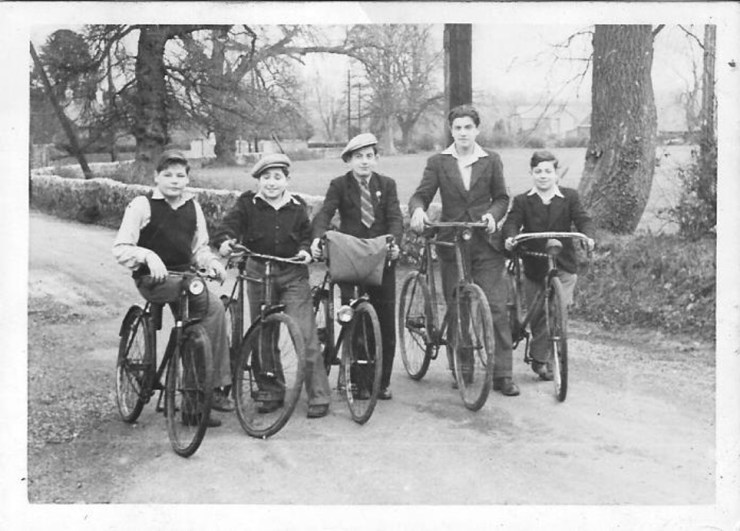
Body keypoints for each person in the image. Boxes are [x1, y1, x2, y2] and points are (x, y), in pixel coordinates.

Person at [112, 149, 234, 427]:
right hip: (153, 280)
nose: (175, 180)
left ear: (187, 178)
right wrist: (147, 255)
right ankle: (198, 390)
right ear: (156, 177)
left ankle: (202, 394)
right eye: (168, 175)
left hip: (184, 277)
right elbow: (121, 248)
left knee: (214, 309)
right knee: (196, 299)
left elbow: (198, 248)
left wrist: (211, 262)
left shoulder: (193, 206)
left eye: (181, 175)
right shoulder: (142, 205)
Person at [409, 104, 519, 396]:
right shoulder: (439, 162)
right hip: (452, 243)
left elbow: (502, 197)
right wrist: (418, 211)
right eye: (457, 128)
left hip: (485, 243)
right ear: (451, 130)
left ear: (476, 130)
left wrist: (493, 216)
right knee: (458, 307)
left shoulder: (491, 160)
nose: (462, 133)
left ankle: (503, 374)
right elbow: (421, 195)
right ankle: (464, 368)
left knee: (495, 306)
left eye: (468, 127)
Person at [212, 153, 332, 419]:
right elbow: (228, 227)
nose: (271, 183)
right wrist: (226, 242)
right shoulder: (247, 203)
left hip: (292, 274)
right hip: (258, 272)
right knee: (263, 332)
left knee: (304, 331)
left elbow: (306, 235)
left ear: (287, 180)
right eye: (266, 178)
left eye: (277, 177)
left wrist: (305, 251)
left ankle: (319, 394)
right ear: (258, 181)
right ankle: (270, 391)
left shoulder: (297, 206)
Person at [310, 133, 403, 400]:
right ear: (349, 160)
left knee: (384, 321)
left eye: (369, 156)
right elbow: (325, 212)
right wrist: (317, 237)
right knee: (353, 319)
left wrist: (394, 244)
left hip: (380, 259)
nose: (364, 162)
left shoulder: (387, 185)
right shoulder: (339, 185)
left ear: (376, 159)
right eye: (358, 157)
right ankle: (358, 380)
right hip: (349, 259)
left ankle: (381, 381)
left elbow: (395, 218)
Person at [502, 150, 595, 380]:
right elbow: (512, 222)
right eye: (538, 172)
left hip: (563, 265)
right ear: (532, 173)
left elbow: (583, 218)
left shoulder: (569, 197)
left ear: (556, 174)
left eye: (548, 171)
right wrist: (511, 236)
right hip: (535, 264)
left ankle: (551, 358)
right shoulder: (523, 200)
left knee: (557, 309)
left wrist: (588, 235)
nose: (543, 176)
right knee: (540, 314)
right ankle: (539, 358)